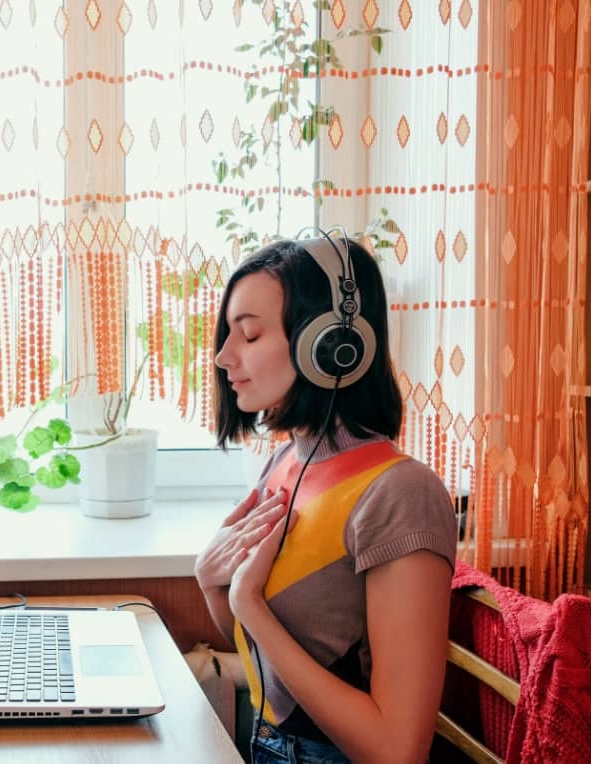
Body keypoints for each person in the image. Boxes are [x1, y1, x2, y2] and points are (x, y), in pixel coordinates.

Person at [195, 236, 458, 764]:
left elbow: (397, 751)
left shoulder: (401, 494)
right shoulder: (286, 463)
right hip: (267, 746)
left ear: (332, 345)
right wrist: (213, 583)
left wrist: (249, 603)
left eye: (248, 333)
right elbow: (264, 657)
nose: (224, 356)